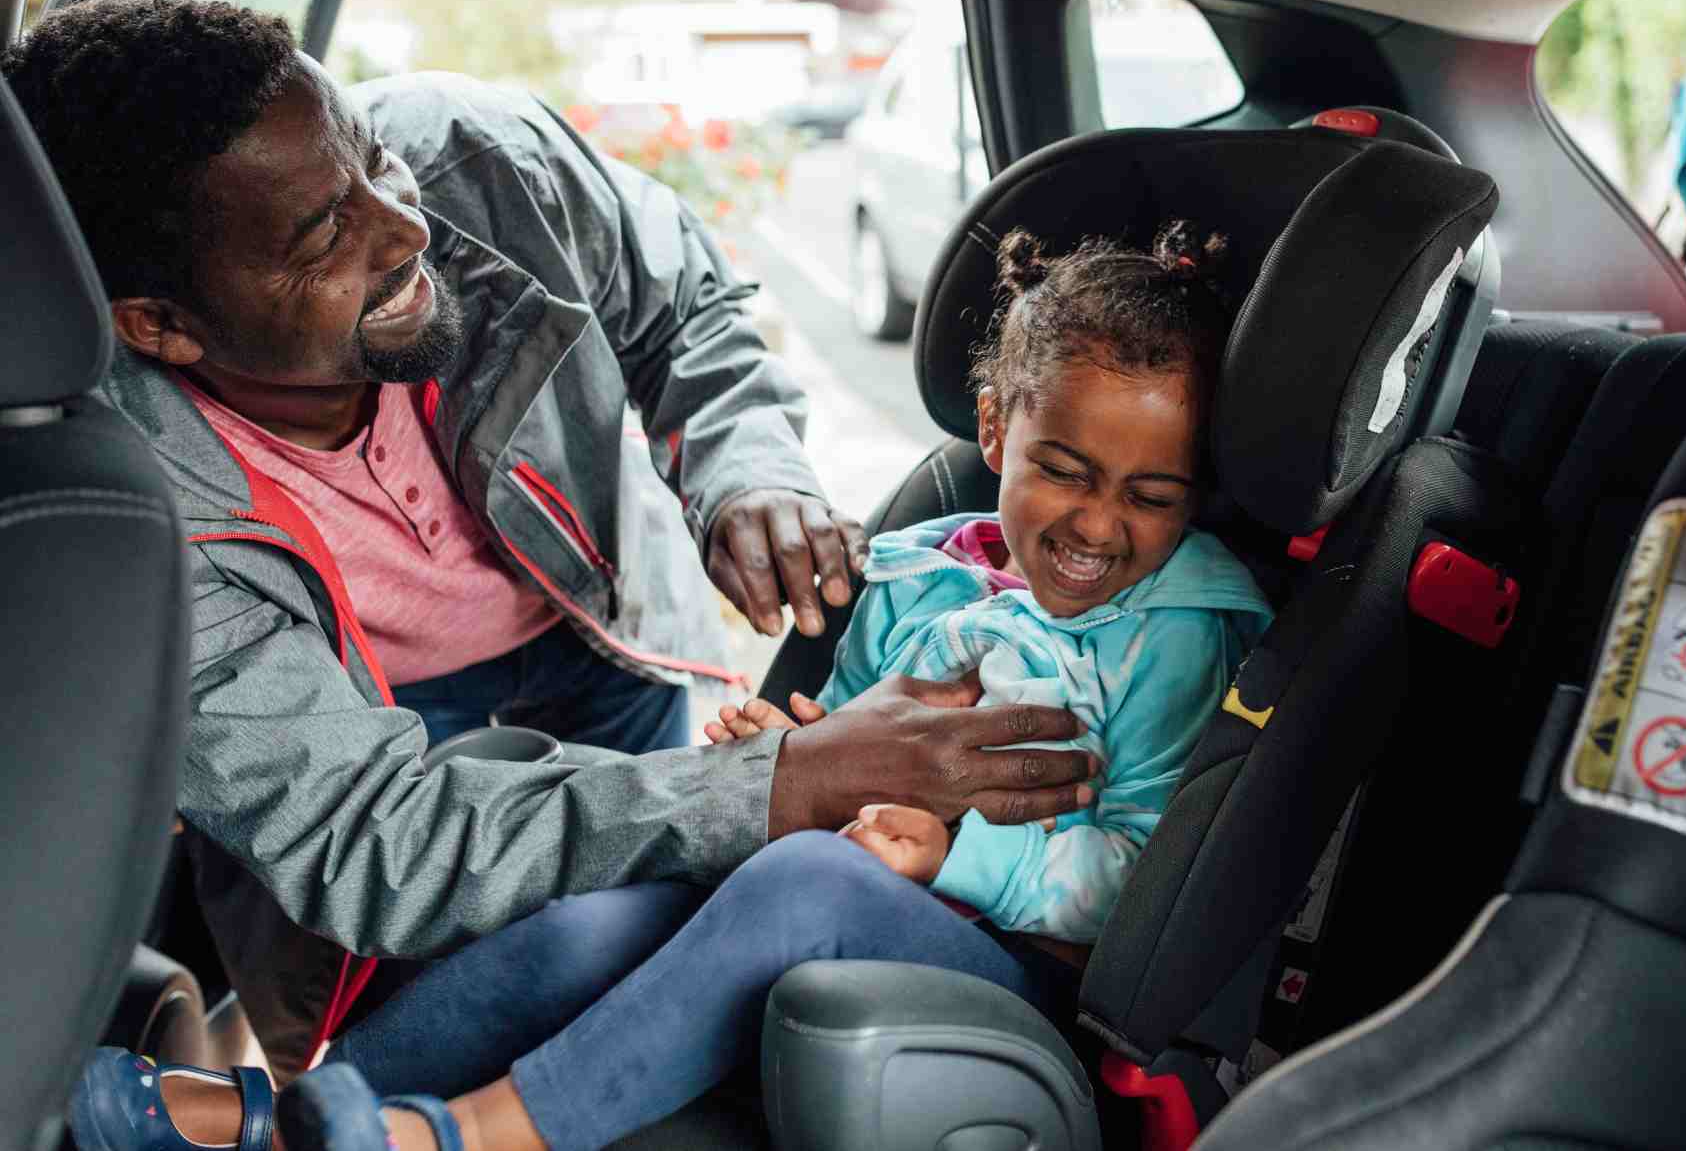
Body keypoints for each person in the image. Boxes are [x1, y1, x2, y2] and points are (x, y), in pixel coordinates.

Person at [5, 0, 1096, 1081]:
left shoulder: (486, 164)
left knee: (650, 930)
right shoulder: (127, 520)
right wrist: (781, 780)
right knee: (448, 1018)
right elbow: (374, 836)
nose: (405, 226)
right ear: (161, 324)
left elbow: (689, 307)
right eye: (324, 233)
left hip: (596, 638)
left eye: (374, 163)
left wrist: (744, 461)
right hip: (364, 729)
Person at [74, 222, 1272, 1151]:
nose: (1099, 523)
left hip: (1021, 967)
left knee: (805, 873)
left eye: (1151, 496)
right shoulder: (914, 568)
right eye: (1064, 469)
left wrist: (945, 855)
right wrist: (784, 751)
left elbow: (1140, 882)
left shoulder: (1181, 631)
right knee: (593, 911)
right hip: (850, 890)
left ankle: (461, 1132)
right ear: (996, 427)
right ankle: (275, 1120)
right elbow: (849, 733)